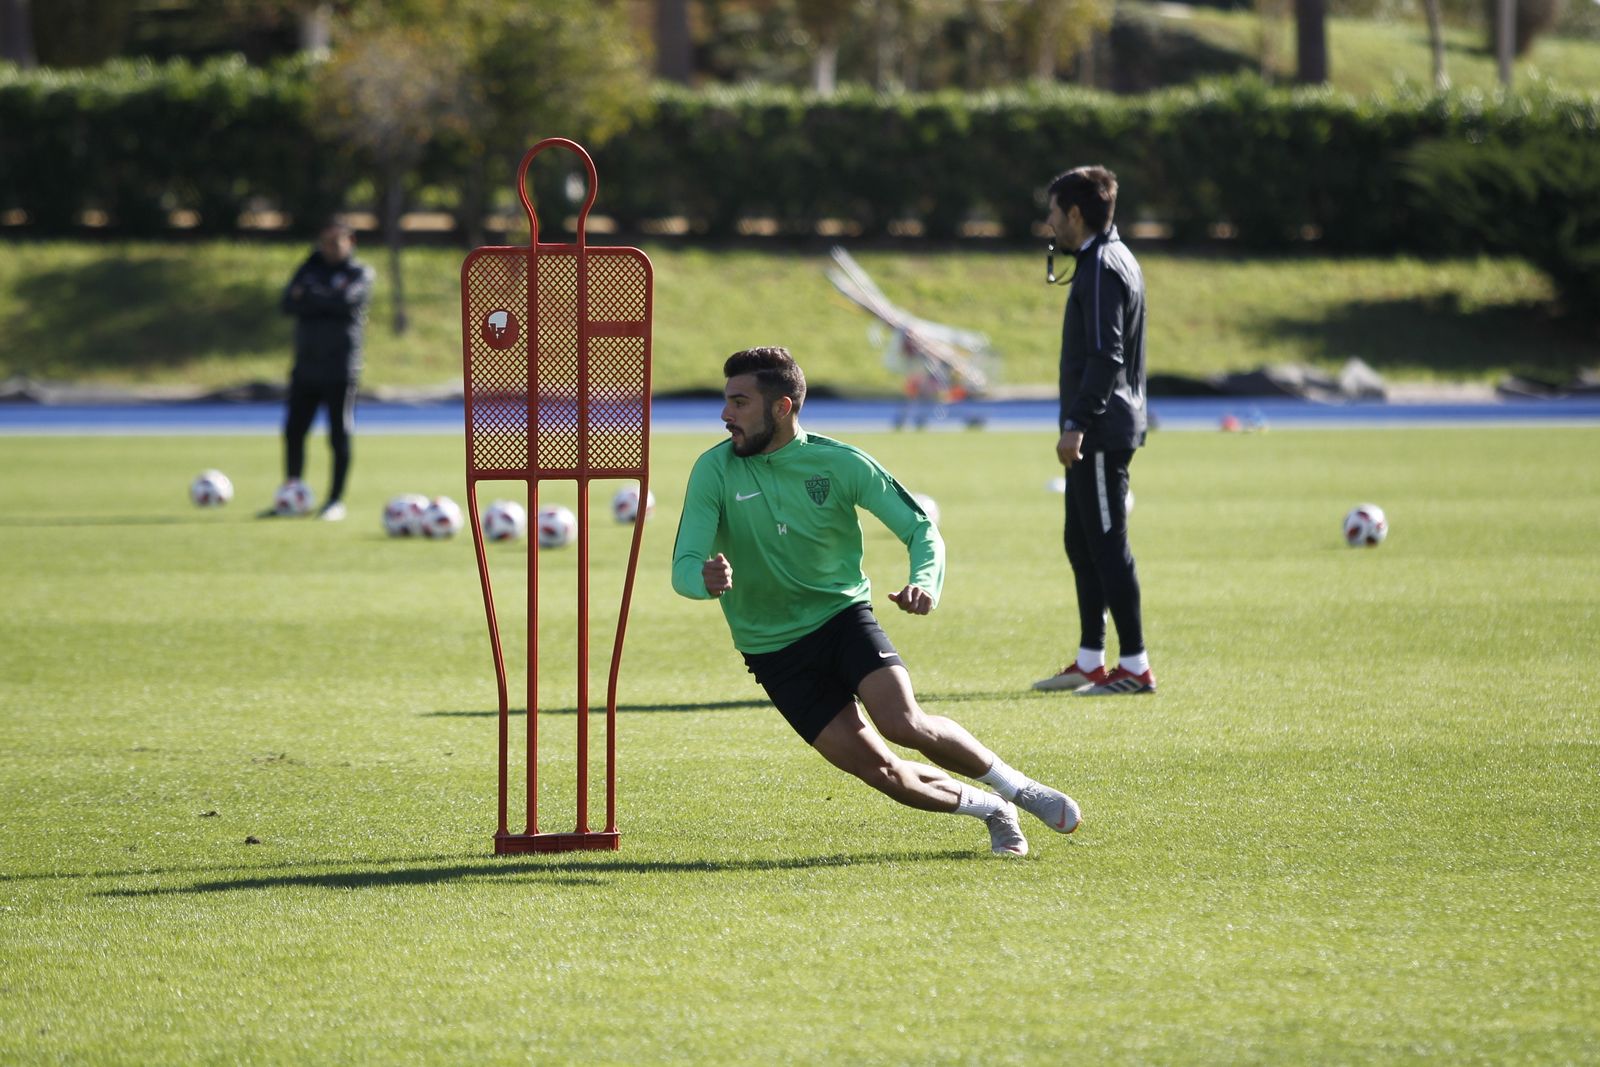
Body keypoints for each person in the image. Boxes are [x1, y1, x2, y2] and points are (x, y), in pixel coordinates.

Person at [672, 346, 1081, 856]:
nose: (725, 414)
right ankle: (992, 810)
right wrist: (704, 579)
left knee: (903, 723)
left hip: (841, 619)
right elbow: (683, 566)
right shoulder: (713, 470)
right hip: (772, 650)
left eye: (739, 402)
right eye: (727, 400)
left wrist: (925, 581)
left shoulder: (840, 463)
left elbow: (919, 528)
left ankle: (1019, 789)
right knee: (884, 772)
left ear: (782, 407)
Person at [1032, 166, 1156, 696]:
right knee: (1081, 541)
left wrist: (1077, 423)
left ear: (1075, 214)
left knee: (1106, 545)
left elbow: (1107, 356)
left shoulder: (1103, 265)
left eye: (1054, 212)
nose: (1049, 222)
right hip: (1099, 427)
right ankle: (1090, 661)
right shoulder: (1104, 258)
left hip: (1101, 431)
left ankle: (1135, 666)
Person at [263, 218, 374, 521]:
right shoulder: (308, 267)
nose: (330, 248)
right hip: (306, 366)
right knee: (293, 431)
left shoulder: (359, 273)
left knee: (338, 434)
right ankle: (292, 496)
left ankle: (335, 501)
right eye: (325, 242)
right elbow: (288, 303)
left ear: (350, 242)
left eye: (336, 242)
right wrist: (323, 298)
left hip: (340, 367)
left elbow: (345, 303)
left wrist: (311, 296)